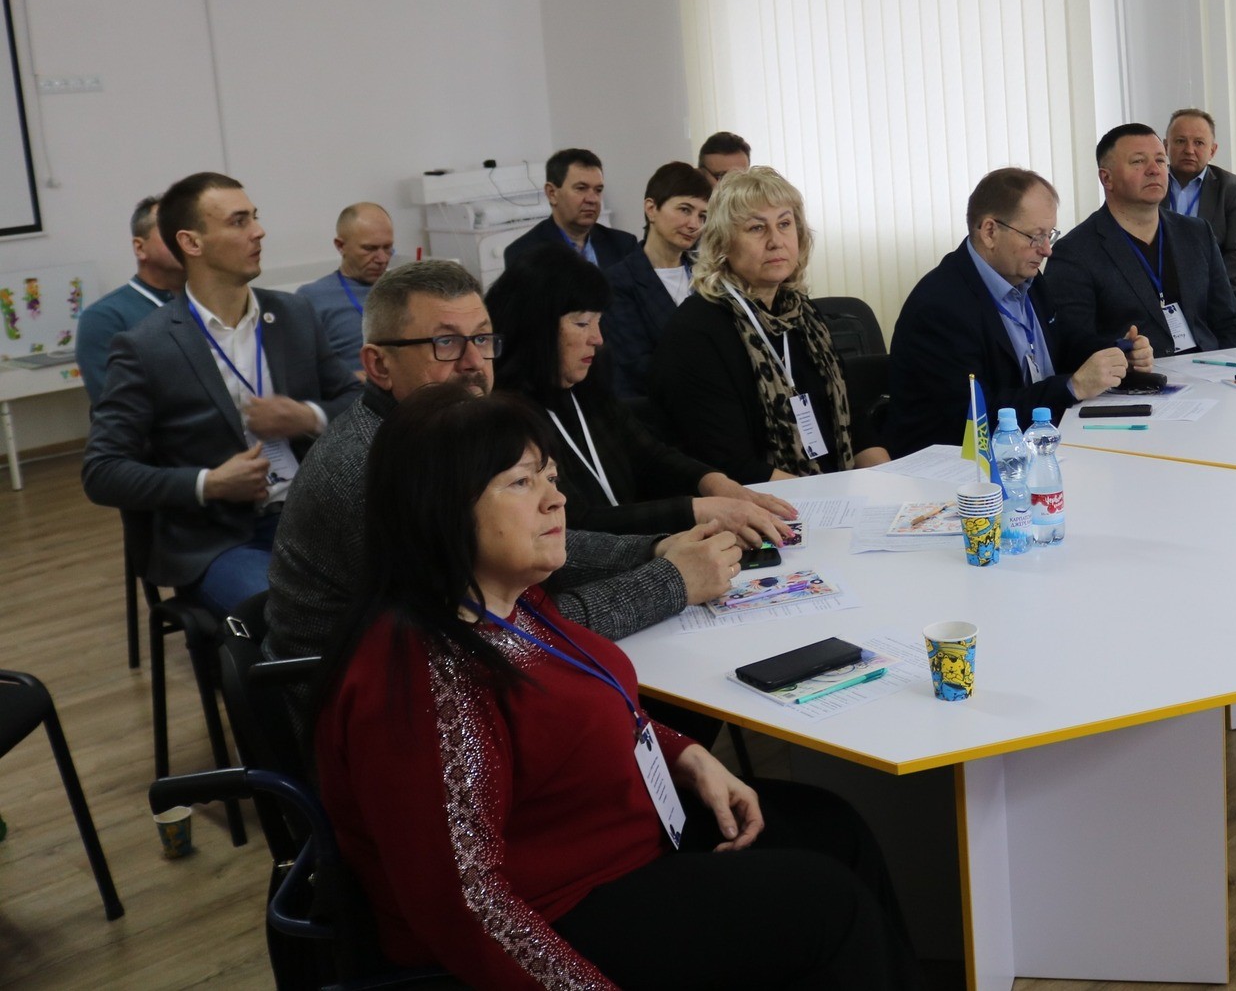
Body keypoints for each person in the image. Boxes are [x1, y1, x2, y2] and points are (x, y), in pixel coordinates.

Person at [315, 384, 919, 989]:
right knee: (829, 909)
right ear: (440, 506)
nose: (556, 500)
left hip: (628, 836)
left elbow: (590, 703)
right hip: (562, 909)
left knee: (835, 829)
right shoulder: (423, 679)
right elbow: (466, 905)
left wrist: (686, 755)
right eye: (521, 482)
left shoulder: (513, 602)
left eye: (551, 477)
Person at [266, 259, 754, 672]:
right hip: (358, 710)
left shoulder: (440, 436)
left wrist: (653, 549)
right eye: (445, 343)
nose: (474, 363)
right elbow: (495, 634)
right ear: (378, 365)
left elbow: (523, 542)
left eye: (482, 339)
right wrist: (670, 581)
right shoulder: (375, 470)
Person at [81, 172, 359, 614]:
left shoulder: (293, 314)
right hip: (220, 539)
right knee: (293, 615)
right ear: (191, 243)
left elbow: (357, 404)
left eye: (255, 217)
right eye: (239, 221)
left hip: (315, 515)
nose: (259, 231)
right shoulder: (145, 346)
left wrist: (308, 417)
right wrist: (209, 483)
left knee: (409, 588)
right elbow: (103, 471)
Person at [488, 244, 797, 543]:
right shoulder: (508, 419)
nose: (597, 338)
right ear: (537, 328)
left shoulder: (584, 389)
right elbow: (578, 524)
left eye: (598, 322)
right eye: (582, 323)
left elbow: (649, 456)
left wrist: (715, 483)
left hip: (638, 552)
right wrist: (698, 510)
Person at [883, 168, 1155, 455]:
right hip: (962, 465)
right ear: (990, 232)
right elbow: (974, 420)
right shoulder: (940, 306)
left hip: (1037, 443)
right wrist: (1071, 387)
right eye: (1035, 237)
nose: (1047, 250)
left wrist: (1116, 352)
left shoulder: (1027, 278)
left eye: (1049, 235)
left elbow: (1060, 344)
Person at [650, 168, 888, 482]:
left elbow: (854, 423)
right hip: (758, 500)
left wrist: (890, 481)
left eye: (785, 224)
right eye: (756, 228)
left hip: (830, 489)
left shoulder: (803, 315)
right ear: (723, 243)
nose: (776, 241)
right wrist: (829, 497)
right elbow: (729, 464)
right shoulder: (696, 332)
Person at [1046, 124, 1236, 358]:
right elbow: (1071, 344)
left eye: (1160, 160)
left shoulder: (1197, 232)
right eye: (1138, 161)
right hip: (1137, 375)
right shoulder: (1075, 252)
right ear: (1106, 178)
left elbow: (1228, 322)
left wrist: (1227, 365)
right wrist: (1124, 352)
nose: (1154, 170)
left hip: (1210, 368)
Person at [603, 162, 713, 400]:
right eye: (685, 210)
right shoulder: (618, 281)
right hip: (656, 409)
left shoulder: (708, 277)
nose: (694, 224)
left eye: (702, 216)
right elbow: (638, 365)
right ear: (651, 209)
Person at [77, 195, 186, 406]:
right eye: (172, 231)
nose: (185, 240)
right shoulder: (104, 318)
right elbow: (117, 407)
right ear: (140, 248)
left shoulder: (209, 304)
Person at [1166, 107, 1236, 328]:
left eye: (1199, 143)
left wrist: (1199, 297)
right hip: (1160, 296)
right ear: (1165, 145)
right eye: (1180, 141)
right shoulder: (1149, 185)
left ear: (1212, 150)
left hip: (1216, 298)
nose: (1189, 150)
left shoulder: (1233, 189)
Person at [295, 202, 395, 376]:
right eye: (369, 249)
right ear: (341, 246)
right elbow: (298, 370)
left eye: (387, 248)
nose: (382, 259)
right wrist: (347, 379)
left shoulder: (405, 289)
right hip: (352, 389)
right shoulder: (311, 298)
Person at [503, 147, 640, 270]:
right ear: (552, 193)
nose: (592, 199)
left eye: (598, 190)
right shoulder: (524, 253)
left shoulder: (624, 245)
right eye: (581, 188)